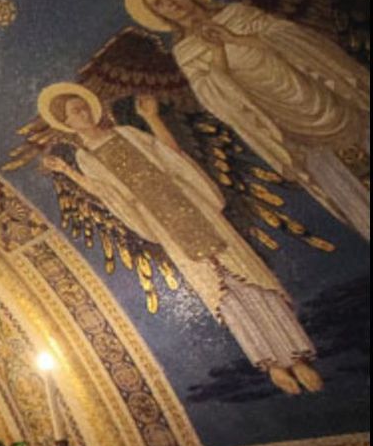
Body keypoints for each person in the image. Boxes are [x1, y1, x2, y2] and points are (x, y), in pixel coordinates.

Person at [39, 82, 320, 395]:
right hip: (163, 224)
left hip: (192, 206)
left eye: (84, 106)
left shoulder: (129, 134)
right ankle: (273, 364)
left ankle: (298, 357)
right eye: (75, 112)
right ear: (67, 123)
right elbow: (106, 193)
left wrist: (153, 118)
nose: (83, 113)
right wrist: (66, 170)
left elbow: (170, 155)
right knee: (221, 293)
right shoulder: (86, 158)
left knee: (251, 276)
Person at [125, 0, 370, 241]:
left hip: (313, 91)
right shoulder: (186, 51)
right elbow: (212, 96)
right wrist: (218, 53)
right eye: (159, 4)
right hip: (280, 120)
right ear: (160, 16)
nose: (170, 3)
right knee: (342, 178)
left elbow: (291, 37)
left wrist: (235, 39)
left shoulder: (238, 14)